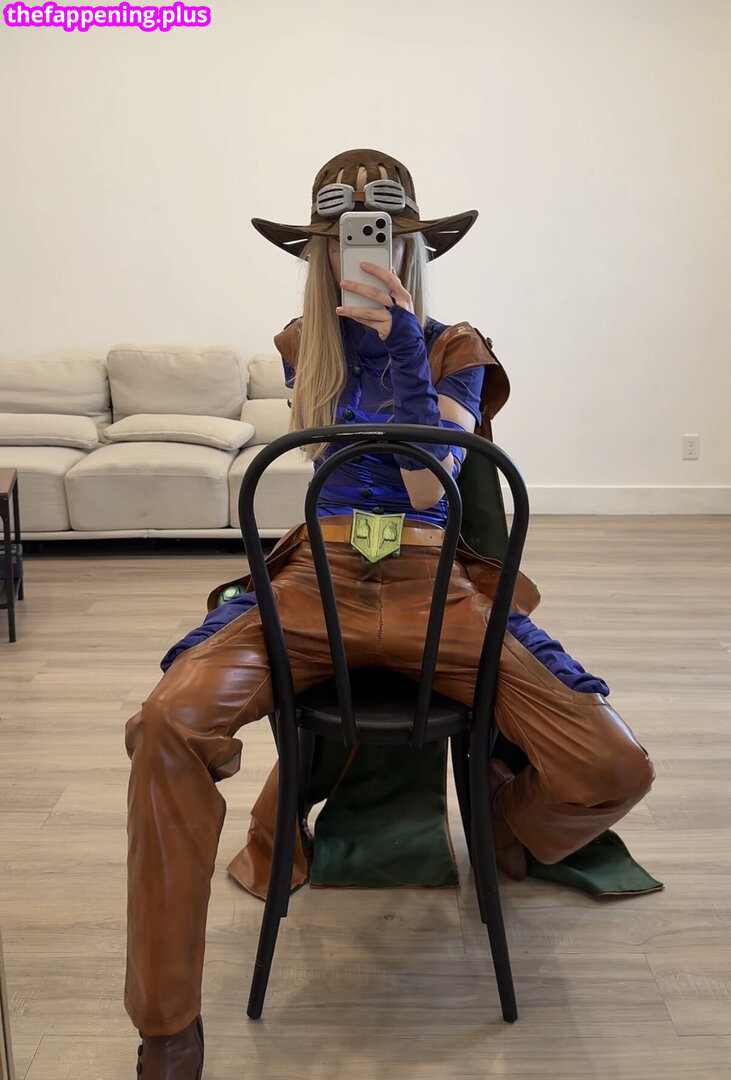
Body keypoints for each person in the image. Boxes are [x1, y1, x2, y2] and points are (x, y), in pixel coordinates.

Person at [125, 149, 655, 1079]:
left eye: (381, 236)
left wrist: (403, 346)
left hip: (427, 579)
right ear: (321, 252)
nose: (361, 252)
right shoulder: (303, 341)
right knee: (167, 722)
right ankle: (167, 1033)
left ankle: (507, 830)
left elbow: (421, 485)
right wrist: (353, 347)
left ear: (412, 247)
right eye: (341, 239)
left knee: (612, 764)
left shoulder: (456, 347)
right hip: (316, 577)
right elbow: (318, 462)